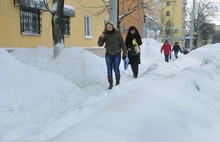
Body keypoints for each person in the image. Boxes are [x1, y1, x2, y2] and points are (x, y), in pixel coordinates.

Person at [98, 21, 128, 90]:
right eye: (107, 27)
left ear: (112, 27)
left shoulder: (118, 34)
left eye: (110, 27)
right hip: (108, 54)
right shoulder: (105, 35)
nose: (108, 28)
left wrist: (125, 52)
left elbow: (122, 44)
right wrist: (101, 38)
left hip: (117, 54)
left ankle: (117, 81)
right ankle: (110, 83)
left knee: (116, 68)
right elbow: (100, 44)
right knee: (109, 68)